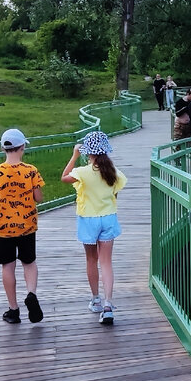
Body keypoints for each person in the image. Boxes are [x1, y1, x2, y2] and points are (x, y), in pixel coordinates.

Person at [0, 128, 44, 324]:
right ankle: (31, 293)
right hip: (27, 225)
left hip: (4, 228)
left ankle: (13, 310)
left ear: (3, 148)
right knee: (29, 262)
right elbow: (38, 198)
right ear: (22, 147)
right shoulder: (31, 170)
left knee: (8, 266)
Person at [61, 130, 127, 326]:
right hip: (108, 218)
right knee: (106, 262)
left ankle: (96, 299)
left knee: (92, 259)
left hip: (88, 219)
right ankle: (108, 304)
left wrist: (74, 155)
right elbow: (115, 196)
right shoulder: (113, 172)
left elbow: (64, 177)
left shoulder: (82, 172)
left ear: (88, 152)